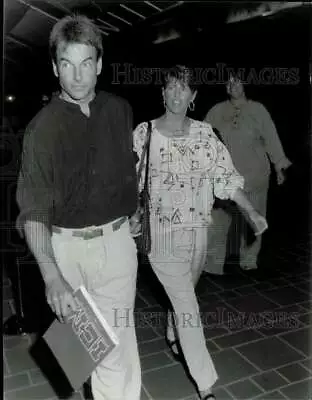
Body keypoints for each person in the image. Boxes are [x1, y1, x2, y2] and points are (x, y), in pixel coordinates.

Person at [16, 14, 141, 400]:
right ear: (55, 68)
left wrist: (132, 209)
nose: (77, 76)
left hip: (117, 245)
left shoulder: (119, 110)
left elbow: (126, 167)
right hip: (67, 250)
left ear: (99, 64)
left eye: (86, 63)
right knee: (80, 354)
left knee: (116, 346)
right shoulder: (42, 129)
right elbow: (34, 208)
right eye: (67, 64)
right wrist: (52, 276)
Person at [130, 65, 268, 400]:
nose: (177, 94)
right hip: (162, 236)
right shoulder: (144, 133)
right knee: (189, 308)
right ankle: (206, 386)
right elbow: (127, 183)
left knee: (184, 299)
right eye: (171, 87)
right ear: (163, 93)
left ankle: (171, 325)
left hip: (198, 235)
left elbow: (225, 178)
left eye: (184, 89)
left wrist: (251, 212)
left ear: (193, 97)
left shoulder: (206, 134)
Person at [204, 74, 292, 274]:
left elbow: (271, 138)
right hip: (224, 177)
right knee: (217, 218)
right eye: (229, 82)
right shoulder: (216, 111)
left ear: (245, 84)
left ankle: (249, 258)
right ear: (225, 87)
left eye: (237, 81)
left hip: (255, 175)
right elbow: (203, 138)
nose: (233, 85)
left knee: (254, 219)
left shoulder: (258, 110)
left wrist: (280, 165)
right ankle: (212, 263)